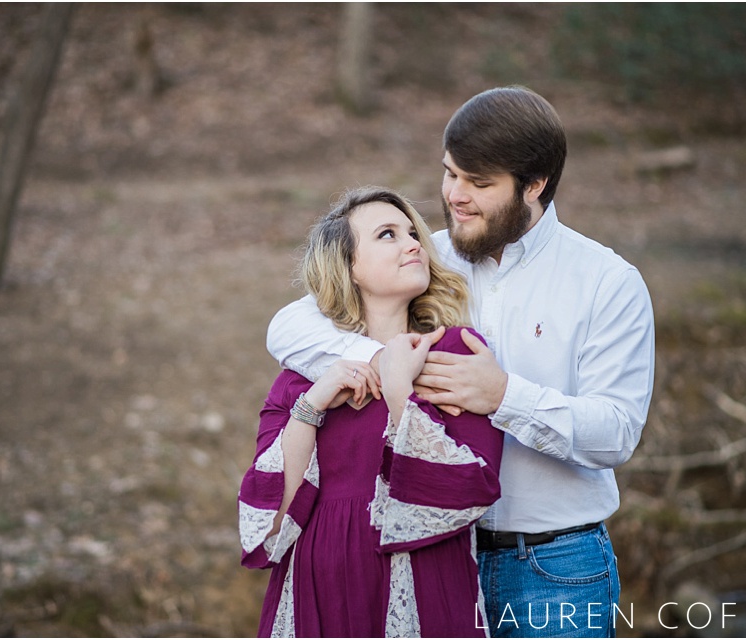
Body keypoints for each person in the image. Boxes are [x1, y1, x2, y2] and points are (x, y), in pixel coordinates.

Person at [266, 86, 656, 637]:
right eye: (451, 173)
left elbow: (615, 433)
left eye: (479, 183)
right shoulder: (426, 258)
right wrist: (386, 362)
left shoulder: (606, 283)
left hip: (556, 567)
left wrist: (503, 397)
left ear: (535, 184)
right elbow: (289, 326)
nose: (455, 196)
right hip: (439, 563)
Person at [239, 186, 504, 637]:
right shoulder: (299, 378)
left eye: (411, 233)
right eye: (388, 234)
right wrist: (313, 403)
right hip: (317, 593)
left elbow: (470, 489)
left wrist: (399, 387)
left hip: (422, 584)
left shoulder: (456, 356)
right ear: (349, 268)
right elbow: (272, 517)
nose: (414, 243)